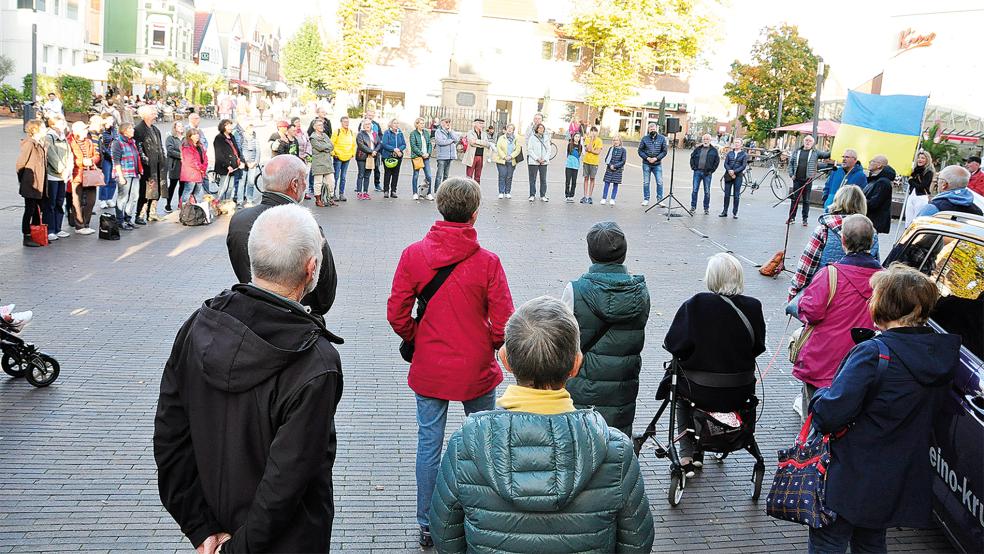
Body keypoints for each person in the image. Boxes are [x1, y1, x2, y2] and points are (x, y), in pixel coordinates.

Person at [155, 204, 343, 554]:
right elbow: (288, 480)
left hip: (217, 530)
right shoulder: (315, 362)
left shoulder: (198, 326)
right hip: (288, 541)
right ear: (311, 268)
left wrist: (202, 528)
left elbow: (170, 438)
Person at [429, 296, 655, 553]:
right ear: (576, 364)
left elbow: (445, 537)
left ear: (505, 359)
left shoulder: (465, 447)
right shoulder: (616, 452)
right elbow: (637, 543)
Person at [386, 177, 514, 548]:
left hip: (430, 367)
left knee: (429, 444)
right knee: (483, 443)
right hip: (475, 368)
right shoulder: (488, 262)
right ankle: (483, 513)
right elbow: (504, 322)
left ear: (440, 207)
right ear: (474, 214)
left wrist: (416, 337)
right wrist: (486, 343)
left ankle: (426, 522)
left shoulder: (413, 255)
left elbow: (396, 313)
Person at [807, 264, 960, 553]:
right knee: (871, 541)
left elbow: (829, 415)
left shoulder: (873, 352)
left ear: (884, 303)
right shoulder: (941, 354)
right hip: (896, 473)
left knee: (829, 539)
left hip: (851, 471)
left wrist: (821, 395)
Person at [663, 253, 766, 475]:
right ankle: (711, 444)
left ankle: (688, 454)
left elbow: (674, 344)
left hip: (700, 390)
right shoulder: (753, 306)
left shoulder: (696, 305)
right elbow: (758, 347)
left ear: (712, 277)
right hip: (740, 390)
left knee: (681, 395)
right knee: (694, 390)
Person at [562, 222, 650, 435]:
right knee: (617, 439)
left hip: (581, 383)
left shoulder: (575, 290)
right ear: (624, 253)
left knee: (580, 438)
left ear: (590, 253)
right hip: (623, 385)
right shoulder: (641, 293)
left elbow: (561, 339)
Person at [792, 215, 882, 417]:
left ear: (843, 241)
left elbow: (810, 311)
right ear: (872, 241)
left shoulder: (829, 274)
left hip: (823, 361)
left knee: (813, 420)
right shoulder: (884, 280)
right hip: (862, 364)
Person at [227, 155, 338, 317]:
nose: (306, 184)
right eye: (304, 179)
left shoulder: (239, 220)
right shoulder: (305, 226)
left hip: (251, 314)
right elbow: (325, 293)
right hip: (295, 320)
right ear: (294, 184)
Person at [788, 185, 879, 301]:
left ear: (837, 201)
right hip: (856, 299)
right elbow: (874, 268)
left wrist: (794, 290)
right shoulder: (871, 232)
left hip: (823, 295)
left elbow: (806, 265)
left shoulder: (824, 229)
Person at [787, 135, 831, 226]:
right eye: (806, 140)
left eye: (810, 141)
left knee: (806, 200)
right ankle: (791, 218)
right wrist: (791, 174)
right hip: (797, 179)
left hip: (808, 180)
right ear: (803, 141)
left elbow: (827, 155)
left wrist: (834, 149)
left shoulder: (815, 152)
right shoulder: (797, 151)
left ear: (813, 143)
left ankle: (805, 219)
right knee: (795, 199)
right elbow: (790, 164)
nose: (808, 142)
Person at [17, 119, 48, 247]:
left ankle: (36, 234)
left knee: (37, 209)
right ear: (35, 129)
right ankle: (27, 235)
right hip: (31, 183)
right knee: (29, 209)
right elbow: (20, 164)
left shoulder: (40, 143)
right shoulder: (30, 144)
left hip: (39, 183)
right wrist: (24, 180)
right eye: (43, 127)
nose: (45, 129)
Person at [133, 105, 166, 224]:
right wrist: (146, 162)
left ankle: (152, 213)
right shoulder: (138, 129)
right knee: (145, 191)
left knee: (157, 190)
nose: (156, 115)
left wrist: (163, 159)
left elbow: (160, 146)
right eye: (153, 113)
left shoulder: (155, 129)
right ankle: (140, 215)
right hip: (147, 166)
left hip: (158, 165)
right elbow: (138, 148)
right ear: (146, 115)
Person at [67, 121, 99, 235]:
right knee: (77, 201)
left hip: (90, 174)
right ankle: (79, 225)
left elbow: (96, 155)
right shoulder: (70, 142)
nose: (87, 131)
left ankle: (86, 223)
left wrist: (92, 160)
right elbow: (69, 158)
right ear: (77, 131)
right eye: (84, 129)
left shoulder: (89, 142)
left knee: (91, 200)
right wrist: (82, 162)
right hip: (77, 175)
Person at [43, 117, 72, 241]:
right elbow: (52, 156)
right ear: (53, 124)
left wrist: (69, 169)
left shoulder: (63, 137)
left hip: (63, 176)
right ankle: (50, 229)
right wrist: (62, 170)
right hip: (53, 175)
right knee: (51, 203)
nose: (64, 124)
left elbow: (69, 154)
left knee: (60, 202)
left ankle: (58, 228)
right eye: (61, 123)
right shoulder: (49, 137)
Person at [917, 165, 984, 217]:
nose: (937, 182)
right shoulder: (978, 212)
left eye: (938, 179)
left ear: (944, 184)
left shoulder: (933, 208)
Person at [112, 122, 142, 230]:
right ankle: (120, 220)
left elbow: (136, 157)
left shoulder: (132, 141)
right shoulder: (117, 142)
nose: (133, 130)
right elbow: (116, 160)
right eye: (130, 128)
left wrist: (139, 170)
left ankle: (128, 218)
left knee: (134, 197)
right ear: (124, 131)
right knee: (123, 198)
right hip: (124, 173)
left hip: (134, 173)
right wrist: (120, 176)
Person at [862, 155, 895, 235]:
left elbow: (874, 203)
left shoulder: (883, 182)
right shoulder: (875, 180)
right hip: (869, 221)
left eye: (872, 161)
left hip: (873, 222)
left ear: (879, 165)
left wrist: (859, 200)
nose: (869, 163)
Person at [638, 122, 667, 206]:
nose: (652, 130)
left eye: (653, 129)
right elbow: (640, 150)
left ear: (656, 129)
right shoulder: (644, 138)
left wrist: (656, 158)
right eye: (651, 129)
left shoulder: (662, 138)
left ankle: (660, 200)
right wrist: (647, 158)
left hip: (657, 164)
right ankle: (646, 199)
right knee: (646, 182)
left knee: (659, 182)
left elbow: (664, 151)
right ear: (648, 130)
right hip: (646, 163)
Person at [689, 134, 720, 214]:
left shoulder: (714, 150)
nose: (705, 141)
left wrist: (711, 171)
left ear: (710, 140)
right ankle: (693, 207)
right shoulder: (697, 149)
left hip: (707, 173)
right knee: (695, 190)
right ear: (702, 140)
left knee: (707, 191)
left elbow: (717, 161)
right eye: (704, 139)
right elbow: (692, 158)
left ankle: (706, 208)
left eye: (707, 139)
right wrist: (693, 167)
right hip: (697, 172)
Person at [309, 119, 336, 207]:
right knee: (318, 182)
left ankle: (330, 198)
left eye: (322, 125)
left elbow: (332, 146)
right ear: (314, 127)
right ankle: (318, 200)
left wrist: (326, 147)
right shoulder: (313, 137)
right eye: (319, 125)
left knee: (331, 181)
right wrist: (326, 147)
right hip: (318, 162)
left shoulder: (325, 135)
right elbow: (319, 147)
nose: (321, 127)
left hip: (327, 162)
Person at [903, 150, 934, 223]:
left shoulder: (928, 172)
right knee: (908, 219)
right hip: (911, 196)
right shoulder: (914, 170)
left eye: (923, 158)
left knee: (917, 219)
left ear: (927, 160)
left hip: (921, 197)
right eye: (919, 158)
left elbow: (921, 186)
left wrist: (911, 181)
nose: (920, 159)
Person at [179, 128, 208, 206]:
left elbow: (205, 157)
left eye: (197, 134)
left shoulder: (200, 145)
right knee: (188, 190)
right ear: (190, 136)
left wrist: (204, 167)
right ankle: (184, 207)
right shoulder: (186, 146)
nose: (197, 136)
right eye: (194, 134)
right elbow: (190, 161)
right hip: (191, 173)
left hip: (199, 172)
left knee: (197, 192)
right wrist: (201, 168)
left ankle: (196, 207)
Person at [493, 123, 522, 200]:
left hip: (511, 161)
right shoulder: (501, 138)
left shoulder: (516, 139)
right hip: (501, 160)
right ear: (506, 129)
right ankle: (501, 192)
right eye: (508, 128)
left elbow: (518, 149)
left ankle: (508, 192)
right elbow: (498, 148)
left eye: (511, 128)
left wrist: (511, 156)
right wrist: (504, 156)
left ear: (513, 130)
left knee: (509, 177)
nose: (510, 129)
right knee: (502, 175)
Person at [331, 116, 356, 202]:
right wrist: (334, 154)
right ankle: (333, 194)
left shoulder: (351, 132)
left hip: (347, 157)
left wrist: (352, 153)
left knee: (343, 177)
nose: (346, 123)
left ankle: (341, 194)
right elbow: (331, 144)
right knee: (336, 176)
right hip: (338, 157)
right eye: (345, 121)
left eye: (347, 121)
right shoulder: (337, 132)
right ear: (341, 122)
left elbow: (353, 144)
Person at [721, 137, 747, 218]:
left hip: (738, 176)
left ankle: (735, 213)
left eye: (738, 143)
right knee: (726, 194)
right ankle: (724, 211)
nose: (736, 144)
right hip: (728, 175)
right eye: (735, 142)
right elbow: (726, 164)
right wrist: (730, 171)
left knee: (736, 195)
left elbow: (743, 166)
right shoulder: (729, 153)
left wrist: (734, 172)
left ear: (741, 145)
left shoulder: (744, 154)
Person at [380, 118, 407, 198]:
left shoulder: (400, 133)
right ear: (391, 124)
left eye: (397, 123)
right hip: (387, 156)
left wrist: (399, 150)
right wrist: (394, 149)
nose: (396, 125)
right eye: (394, 123)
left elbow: (404, 144)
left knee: (396, 174)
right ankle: (386, 191)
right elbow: (384, 144)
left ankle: (393, 191)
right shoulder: (387, 133)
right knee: (388, 174)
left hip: (398, 156)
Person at [354, 119, 380, 200]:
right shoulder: (360, 134)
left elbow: (379, 143)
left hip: (371, 157)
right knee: (361, 174)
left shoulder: (375, 134)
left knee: (367, 175)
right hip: (362, 156)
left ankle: (365, 192)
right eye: (366, 124)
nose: (367, 125)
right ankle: (359, 192)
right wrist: (371, 151)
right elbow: (361, 145)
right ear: (363, 125)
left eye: (369, 124)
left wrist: (375, 151)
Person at [409, 117, 434, 201]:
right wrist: (422, 154)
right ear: (417, 124)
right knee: (416, 175)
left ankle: (428, 193)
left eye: (423, 123)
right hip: (417, 157)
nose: (422, 125)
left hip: (426, 157)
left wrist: (428, 153)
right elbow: (413, 146)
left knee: (429, 176)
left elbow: (429, 144)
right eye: (421, 123)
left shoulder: (426, 133)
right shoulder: (413, 134)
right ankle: (415, 193)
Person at [237, 121, 260, 207]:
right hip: (244, 164)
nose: (251, 130)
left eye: (252, 128)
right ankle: (240, 201)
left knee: (251, 182)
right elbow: (241, 151)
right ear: (246, 129)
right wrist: (247, 163)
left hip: (253, 164)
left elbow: (258, 151)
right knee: (241, 182)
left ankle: (249, 200)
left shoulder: (255, 138)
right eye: (250, 128)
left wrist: (255, 162)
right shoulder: (242, 138)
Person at [526, 122, 551, 202]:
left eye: (542, 128)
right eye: (539, 128)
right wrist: (537, 158)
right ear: (536, 129)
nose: (541, 129)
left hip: (544, 162)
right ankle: (532, 194)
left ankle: (543, 195)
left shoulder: (546, 138)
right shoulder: (532, 138)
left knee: (543, 179)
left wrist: (545, 158)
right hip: (534, 161)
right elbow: (530, 149)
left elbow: (549, 149)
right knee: (532, 179)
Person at [462, 118, 491, 184]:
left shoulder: (484, 134)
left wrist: (477, 142)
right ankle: (468, 191)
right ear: (475, 124)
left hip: (481, 157)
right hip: (472, 156)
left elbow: (487, 144)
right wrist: (482, 143)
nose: (482, 125)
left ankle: (476, 190)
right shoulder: (470, 132)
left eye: (483, 123)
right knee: (469, 176)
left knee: (478, 176)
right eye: (480, 123)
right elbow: (472, 142)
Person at [433, 118, 459, 191]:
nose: (448, 123)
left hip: (450, 156)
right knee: (439, 176)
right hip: (442, 157)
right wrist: (451, 141)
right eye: (446, 122)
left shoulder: (451, 131)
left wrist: (450, 131)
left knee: (446, 176)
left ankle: (443, 191)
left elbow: (456, 139)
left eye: (449, 122)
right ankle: (437, 191)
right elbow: (440, 142)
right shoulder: (438, 131)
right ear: (442, 123)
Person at [98, 115, 118, 209]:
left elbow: (117, 141)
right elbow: (101, 145)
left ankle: (109, 198)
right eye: (109, 119)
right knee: (105, 179)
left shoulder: (114, 130)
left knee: (113, 178)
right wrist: (109, 155)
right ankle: (103, 199)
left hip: (114, 156)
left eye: (112, 119)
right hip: (106, 157)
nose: (112, 121)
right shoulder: (101, 131)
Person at [600, 135, 627, 206]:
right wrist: (610, 165)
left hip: (618, 170)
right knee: (606, 183)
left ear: (620, 141)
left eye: (617, 140)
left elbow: (623, 161)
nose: (615, 142)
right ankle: (604, 198)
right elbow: (606, 159)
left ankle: (612, 199)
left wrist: (615, 166)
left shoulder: (623, 150)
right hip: (609, 169)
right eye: (614, 140)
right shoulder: (611, 148)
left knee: (615, 184)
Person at [291, 116, 313, 199]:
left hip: (306, 156)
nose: (298, 124)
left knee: (305, 175)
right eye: (296, 122)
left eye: (299, 122)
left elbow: (308, 143)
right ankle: (296, 192)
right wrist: (300, 156)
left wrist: (307, 154)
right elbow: (294, 146)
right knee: (297, 176)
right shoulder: (293, 134)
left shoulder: (303, 132)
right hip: (298, 157)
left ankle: (304, 192)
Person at [164, 121, 184, 211]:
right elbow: (170, 150)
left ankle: (180, 204)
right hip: (174, 165)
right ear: (175, 128)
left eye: (182, 126)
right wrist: (182, 155)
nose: (181, 127)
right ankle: (168, 204)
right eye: (179, 126)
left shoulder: (185, 138)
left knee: (182, 186)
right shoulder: (170, 138)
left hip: (184, 166)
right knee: (172, 185)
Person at [581, 126, 603, 204]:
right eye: (592, 131)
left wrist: (592, 150)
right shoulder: (587, 139)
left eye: (595, 131)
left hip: (594, 162)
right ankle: (585, 196)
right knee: (586, 178)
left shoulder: (599, 141)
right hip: (586, 161)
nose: (593, 133)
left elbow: (597, 152)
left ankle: (590, 196)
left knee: (592, 178)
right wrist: (591, 140)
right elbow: (588, 149)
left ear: (597, 133)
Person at [364, 109, 384, 192]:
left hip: (376, 150)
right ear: (366, 115)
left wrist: (378, 148)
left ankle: (377, 184)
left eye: (372, 115)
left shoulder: (376, 124)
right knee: (364, 169)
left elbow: (380, 135)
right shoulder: (362, 123)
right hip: (365, 151)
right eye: (369, 115)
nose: (370, 116)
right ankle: (361, 186)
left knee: (376, 169)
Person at [564, 132, 582, 202]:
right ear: (573, 137)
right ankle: (567, 195)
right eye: (576, 136)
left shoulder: (580, 146)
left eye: (578, 137)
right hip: (569, 166)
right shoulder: (569, 145)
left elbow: (579, 155)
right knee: (568, 181)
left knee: (574, 181)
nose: (577, 138)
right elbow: (568, 154)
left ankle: (571, 195)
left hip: (576, 167)